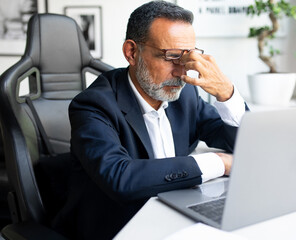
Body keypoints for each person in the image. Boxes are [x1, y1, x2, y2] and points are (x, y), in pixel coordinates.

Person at [52, 1, 249, 239]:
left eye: (188, 58)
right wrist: (219, 162)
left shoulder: (185, 94)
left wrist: (226, 93)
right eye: (171, 57)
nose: (181, 72)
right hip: (119, 229)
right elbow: (121, 177)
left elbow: (241, 144)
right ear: (132, 52)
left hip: (173, 219)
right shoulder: (93, 105)